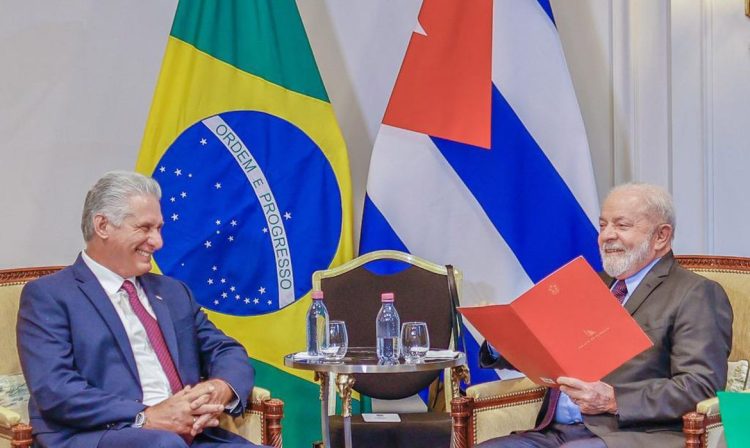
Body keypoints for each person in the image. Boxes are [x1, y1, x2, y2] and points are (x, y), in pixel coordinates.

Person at [17, 171, 270, 448]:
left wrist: (220, 388)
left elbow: (226, 349)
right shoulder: (49, 295)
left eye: (159, 229)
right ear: (102, 225)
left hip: (190, 434)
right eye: (145, 228)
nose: (158, 242)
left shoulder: (173, 292)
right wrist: (146, 416)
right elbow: (55, 389)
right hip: (101, 435)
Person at [477, 183, 733, 448]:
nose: (607, 236)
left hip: (633, 435)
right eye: (603, 225)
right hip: (554, 432)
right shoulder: (588, 284)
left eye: (621, 226)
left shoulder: (696, 293)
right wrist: (502, 339)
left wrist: (614, 399)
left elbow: (700, 386)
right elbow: (548, 352)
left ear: (661, 236)